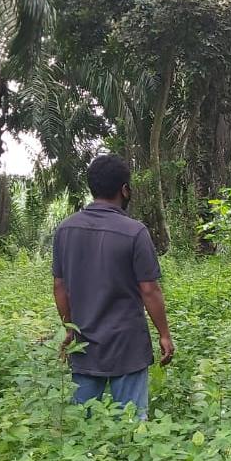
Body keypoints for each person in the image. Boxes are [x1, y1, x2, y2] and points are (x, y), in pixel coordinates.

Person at [52, 154, 175, 419]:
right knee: (132, 426)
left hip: (84, 347)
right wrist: (164, 334)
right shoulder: (135, 232)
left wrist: (70, 330)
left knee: (81, 426)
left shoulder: (65, 230)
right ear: (124, 189)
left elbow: (59, 287)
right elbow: (149, 290)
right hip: (127, 347)